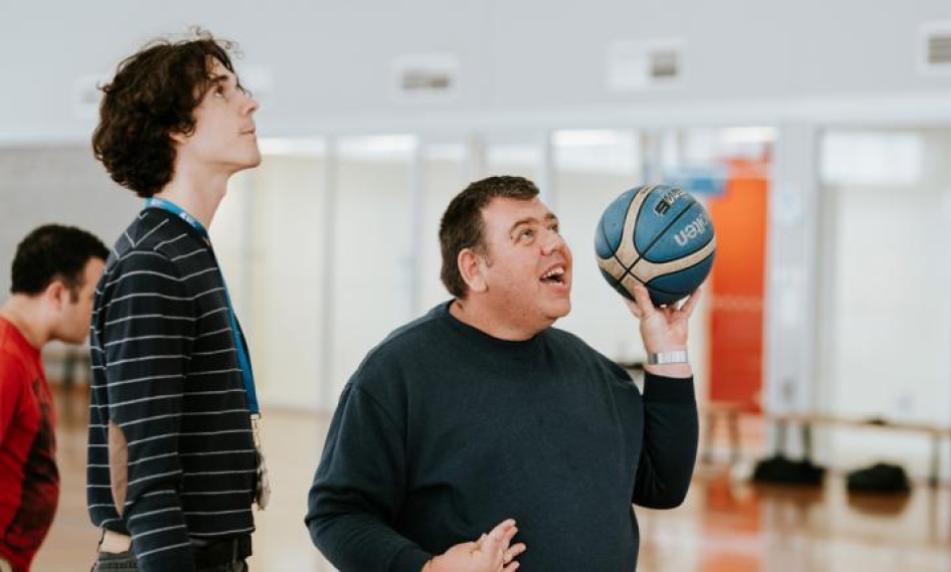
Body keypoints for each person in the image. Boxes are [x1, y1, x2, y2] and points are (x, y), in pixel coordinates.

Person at [307, 175, 700, 571]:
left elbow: (661, 487)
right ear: (473, 268)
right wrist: (428, 569)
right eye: (525, 235)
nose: (555, 245)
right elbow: (337, 515)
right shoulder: (397, 374)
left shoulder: (596, 373)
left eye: (553, 228)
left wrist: (667, 352)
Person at [87, 30, 265, 572]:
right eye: (220, 92)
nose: (249, 102)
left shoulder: (181, 247)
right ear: (174, 128)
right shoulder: (154, 264)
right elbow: (144, 471)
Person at [1, 224, 108, 572]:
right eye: (94, 298)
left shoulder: (25, 351)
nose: (98, 313)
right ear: (59, 294)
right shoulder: (5, 358)